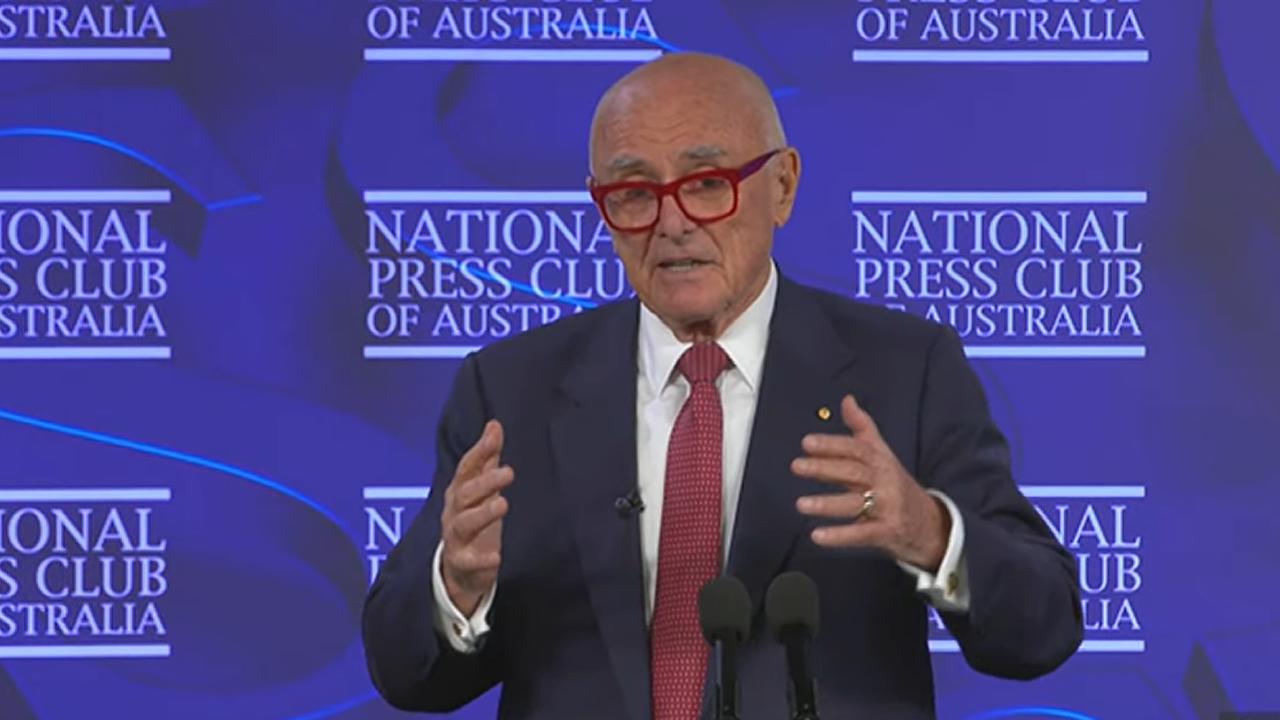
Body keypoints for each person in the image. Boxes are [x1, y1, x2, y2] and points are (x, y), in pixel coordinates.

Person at [362, 52, 1082, 719]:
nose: (672, 223)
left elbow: (1042, 628)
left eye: (707, 183)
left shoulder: (903, 370)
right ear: (601, 209)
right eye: (635, 192)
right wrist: (455, 588)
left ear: (782, 186)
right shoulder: (510, 390)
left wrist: (930, 533)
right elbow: (406, 675)